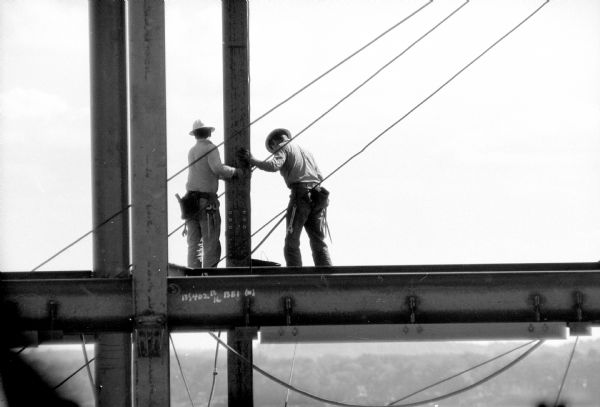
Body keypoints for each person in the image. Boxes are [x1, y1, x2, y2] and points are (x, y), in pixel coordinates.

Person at [240, 128, 332, 267]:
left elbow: (273, 165)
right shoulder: (306, 151)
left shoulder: (282, 147)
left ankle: (295, 276)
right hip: (318, 196)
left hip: (300, 195)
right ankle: (327, 274)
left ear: (274, 143)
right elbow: (320, 176)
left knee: (292, 242)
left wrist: (252, 160)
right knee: (318, 240)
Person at [183, 119, 240, 268]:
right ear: (209, 132)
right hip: (206, 202)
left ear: (195, 135)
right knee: (210, 242)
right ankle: (209, 277)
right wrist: (235, 172)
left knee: (194, 243)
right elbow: (217, 169)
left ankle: (194, 277)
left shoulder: (192, 150)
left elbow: (205, 172)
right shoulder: (210, 148)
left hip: (190, 201)